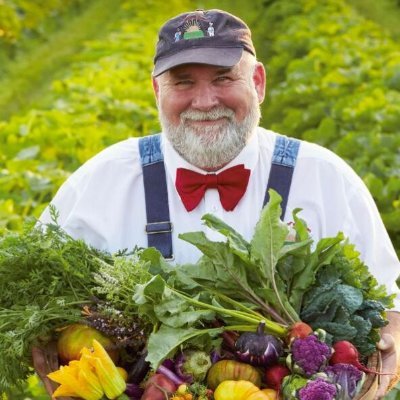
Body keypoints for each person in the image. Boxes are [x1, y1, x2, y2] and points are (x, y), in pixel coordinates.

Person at [40, 9, 400, 398]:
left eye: (224, 78)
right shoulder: (101, 181)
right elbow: (40, 310)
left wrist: (388, 349)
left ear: (258, 82)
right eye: (183, 82)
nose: (205, 100)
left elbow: (387, 304)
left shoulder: (325, 178)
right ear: (157, 91)